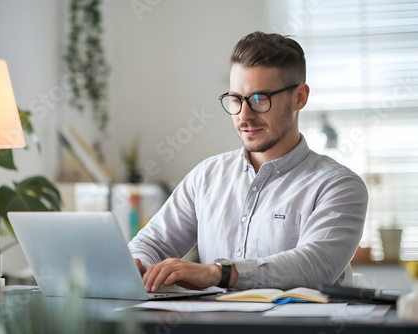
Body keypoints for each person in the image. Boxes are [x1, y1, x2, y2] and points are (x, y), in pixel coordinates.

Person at [128, 31, 368, 292]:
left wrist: (218, 274)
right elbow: (149, 245)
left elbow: (315, 266)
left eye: (259, 99)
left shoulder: (339, 185)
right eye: (236, 99)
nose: (244, 115)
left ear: (300, 97)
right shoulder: (206, 177)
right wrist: (138, 267)